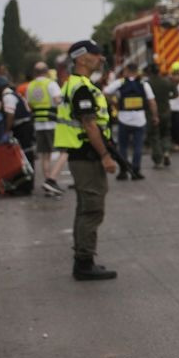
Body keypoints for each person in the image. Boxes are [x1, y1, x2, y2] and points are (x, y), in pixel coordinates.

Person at [54, 39, 119, 281]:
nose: (100, 58)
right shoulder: (80, 87)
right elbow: (89, 124)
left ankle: (84, 260)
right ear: (81, 58)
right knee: (91, 209)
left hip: (83, 154)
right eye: (95, 54)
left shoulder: (80, 84)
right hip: (87, 155)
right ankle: (83, 263)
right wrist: (105, 156)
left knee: (86, 209)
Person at [104, 62, 157, 180]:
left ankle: (123, 170)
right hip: (140, 119)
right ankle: (136, 170)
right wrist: (155, 116)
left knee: (123, 146)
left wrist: (114, 103)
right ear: (137, 71)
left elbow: (106, 92)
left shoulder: (120, 82)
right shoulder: (143, 84)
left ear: (127, 71)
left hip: (124, 119)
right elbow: (152, 102)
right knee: (138, 146)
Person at [25, 62, 65, 196]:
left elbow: (29, 104)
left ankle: (48, 180)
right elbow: (58, 100)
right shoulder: (50, 84)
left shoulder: (30, 86)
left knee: (45, 155)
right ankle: (52, 180)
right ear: (47, 72)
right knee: (64, 151)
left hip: (38, 123)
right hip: (52, 123)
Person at [146, 62, 174, 168]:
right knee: (166, 134)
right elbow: (175, 93)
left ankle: (158, 160)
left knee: (155, 136)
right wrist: (167, 98)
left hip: (153, 113)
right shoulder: (167, 82)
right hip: (166, 111)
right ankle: (166, 152)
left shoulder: (147, 83)